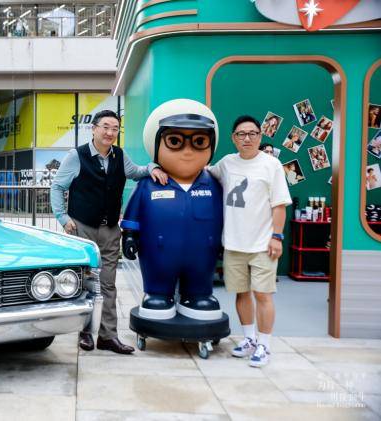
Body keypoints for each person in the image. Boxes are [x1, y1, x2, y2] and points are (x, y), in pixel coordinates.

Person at [50, 110, 168, 354]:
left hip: (111, 229)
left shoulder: (120, 156)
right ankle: (85, 333)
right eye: (105, 126)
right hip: (82, 227)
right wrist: (63, 217)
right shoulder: (77, 155)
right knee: (85, 282)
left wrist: (153, 167)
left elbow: (136, 172)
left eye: (115, 128)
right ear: (94, 128)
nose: (110, 132)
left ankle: (108, 336)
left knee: (108, 284)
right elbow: (58, 186)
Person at [121, 99, 224, 321]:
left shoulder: (214, 184)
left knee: (200, 280)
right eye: (175, 141)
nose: (187, 151)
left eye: (198, 142)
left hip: (203, 252)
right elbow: (133, 215)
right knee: (158, 280)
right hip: (158, 251)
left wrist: (225, 241)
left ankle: (197, 295)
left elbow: (226, 215)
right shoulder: (149, 184)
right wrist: (129, 236)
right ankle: (157, 293)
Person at [209, 115, 292, 367]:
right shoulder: (226, 163)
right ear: (234, 138)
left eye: (252, 133)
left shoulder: (271, 165)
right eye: (241, 134)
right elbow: (205, 172)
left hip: (263, 244)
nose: (247, 138)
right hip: (233, 244)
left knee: (263, 295)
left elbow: (279, 205)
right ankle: (249, 340)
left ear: (260, 136)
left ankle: (264, 345)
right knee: (241, 294)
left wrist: (277, 237)